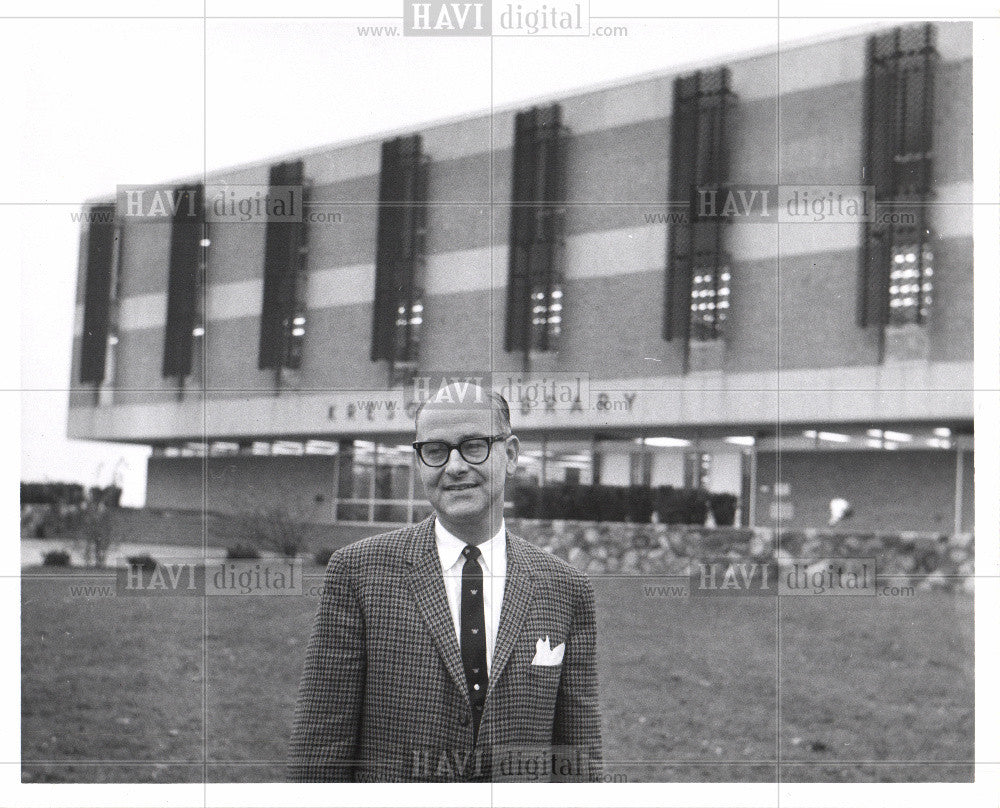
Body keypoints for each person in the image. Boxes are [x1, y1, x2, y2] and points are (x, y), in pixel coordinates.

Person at [287, 384, 602, 782]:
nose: (454, 466)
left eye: (473, 446)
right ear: (419, 461)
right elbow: (320, 747)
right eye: (435, 451)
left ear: (511, 455)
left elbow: (578, 754)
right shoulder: (358, 573)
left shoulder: (566, 589)